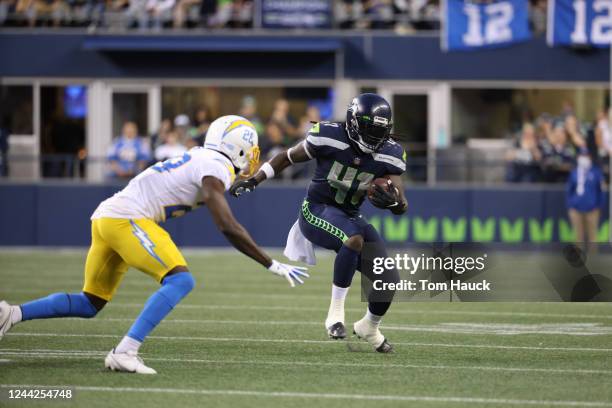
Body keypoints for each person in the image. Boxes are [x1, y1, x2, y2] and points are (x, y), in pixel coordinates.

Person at [0, 115, 308, 374]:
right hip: (127, 218)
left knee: (90, 302)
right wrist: (271, 263)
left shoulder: (205, 157)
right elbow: (227, 225)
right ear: (237, 148)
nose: (253, 155)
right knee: (180, 280)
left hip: (108, 217)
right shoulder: (216, 166)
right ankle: (126, 351)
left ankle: (11, 314)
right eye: (250, 149)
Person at [230, 94, 407, 353]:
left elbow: (402, 205)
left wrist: (394, 203)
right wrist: (254, 180)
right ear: (353, 124)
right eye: (370, 130)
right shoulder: (328, 135)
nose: (375, 138)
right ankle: (335, 314)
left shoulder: (391, 153)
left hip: (351, 215)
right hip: (316, 210)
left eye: (380, 131)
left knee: (388, 279)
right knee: (354, 239)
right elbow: (286, 157)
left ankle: (369, 326)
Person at [566, 148, 604, 254]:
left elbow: (600, 191)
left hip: (592, 209)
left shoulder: (596, 172)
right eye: (582, 156)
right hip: (576, 208)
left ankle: (593, 258)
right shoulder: (574, 173)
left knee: (592, 235)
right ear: (578, 158)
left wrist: (598, 206)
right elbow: (569, 191)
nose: (584, 159)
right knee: (578, 235)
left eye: (586, 156)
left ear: (590, 158)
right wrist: (570, 205)